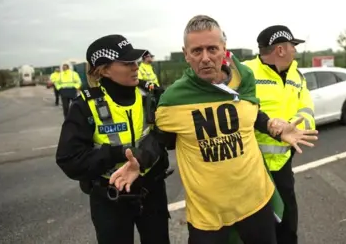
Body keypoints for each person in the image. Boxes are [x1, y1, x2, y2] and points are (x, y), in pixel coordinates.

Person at [109, 15, 319, 244]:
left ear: (224, 50)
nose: (206, 58)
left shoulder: (243, 78)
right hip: (208, 217)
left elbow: (250, 112)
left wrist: (273, 127)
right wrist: (139, 161)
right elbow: (159, 138)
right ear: (186, 53)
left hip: (256, 202)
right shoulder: (174, 99)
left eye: (212, 49)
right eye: (197, 51)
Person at [55, 34, 171, 244]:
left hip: (152, 192)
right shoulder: (85, 105)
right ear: (104, 69)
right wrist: (116, 154)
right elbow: (69, 159)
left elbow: (168, 136)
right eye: (127, 62)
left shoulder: (151, 95)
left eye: (135, 60)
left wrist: (142, 156)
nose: (135, 66)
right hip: (110, 199)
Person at [243, 25, 316, 244]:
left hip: (283, 163)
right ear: (281, 50)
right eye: (293, 46)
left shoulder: (296, 74)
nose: (295, 50)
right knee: (257, 230)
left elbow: (307, 108)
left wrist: (299, 130)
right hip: (252, 166)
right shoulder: (245, 72)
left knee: (288, 224)